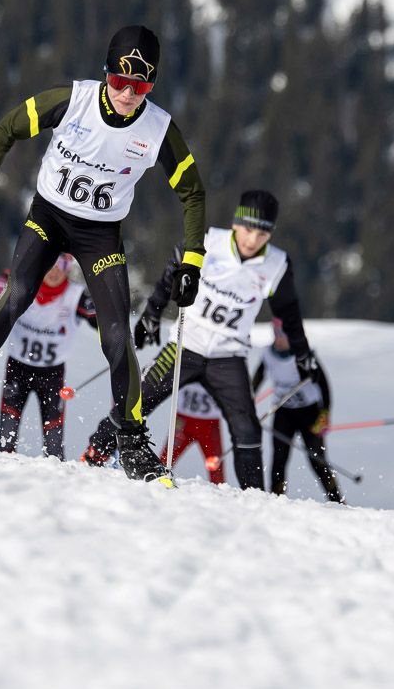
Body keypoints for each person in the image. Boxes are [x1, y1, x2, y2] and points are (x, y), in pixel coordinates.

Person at [0, 25, 207, 481]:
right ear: (106, 73)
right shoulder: (73, 101)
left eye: (141, 86)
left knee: (116, 335)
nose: (128, 94)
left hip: (100, 235)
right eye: (120, 81)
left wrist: (192, 262)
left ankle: (131, 441)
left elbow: (193, 194)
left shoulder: (158, 130)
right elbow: (7, 129)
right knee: (17, 295)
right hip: (49, 217)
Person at [111, 189, 316, 490]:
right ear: (236, 224)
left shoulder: (276, 265)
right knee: (136, 399)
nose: (252, 240)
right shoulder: (208, 241)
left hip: (228, 356)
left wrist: (302, 353)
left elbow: (290, 314)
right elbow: (172, 272)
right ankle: (94, 455)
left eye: (262, 233)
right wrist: (152, 314)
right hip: (185, 346)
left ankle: (255, 498)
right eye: (248, 229)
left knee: (248, 429)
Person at [0, 260, 96, 456]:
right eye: (51, 265)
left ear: (68, 269)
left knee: (54, 448)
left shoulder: (76, 296)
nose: (54, 272)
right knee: (6, 441)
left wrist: (114, 318)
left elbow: (103, 326)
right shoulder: (21, 286)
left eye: (61, 267)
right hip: (17, 369)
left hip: (52, 375)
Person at [257, 322, 343, 502]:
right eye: (276, 334)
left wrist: (325, 414)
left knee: (317, 460)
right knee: (279, 459)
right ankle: (276, 499)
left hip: (309, 413)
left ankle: (336, 500)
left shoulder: (304, 354)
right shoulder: (268, 355)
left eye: (283, 335)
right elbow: (255, 382)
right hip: (284, 413)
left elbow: (324, 385)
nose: (279, 339)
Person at [166, 378, 228, 485]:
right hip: (184, 421)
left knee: (216, 468)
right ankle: (154, 483)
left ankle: (220, 492)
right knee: (166, 459)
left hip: (209, 424)